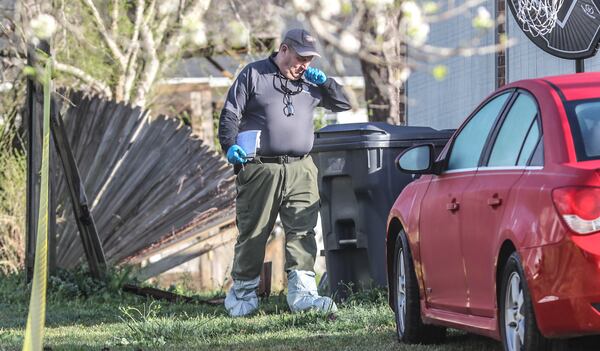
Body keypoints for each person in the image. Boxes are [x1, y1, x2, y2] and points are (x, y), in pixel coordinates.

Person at [218, 28, 351, 317]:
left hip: (301, 167)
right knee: (254, 231)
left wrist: (326, 82)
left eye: (310, 59)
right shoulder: (254, 75)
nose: (304, 64)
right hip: (260, 168)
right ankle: (242, 298)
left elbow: (344, 102)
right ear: (284, 50)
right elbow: (230, 113)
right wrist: (229, 145)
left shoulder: (311, 83)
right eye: (300, 57)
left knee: (303, 230)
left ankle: (303, 296)